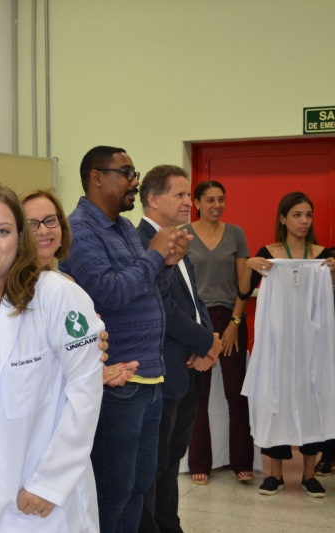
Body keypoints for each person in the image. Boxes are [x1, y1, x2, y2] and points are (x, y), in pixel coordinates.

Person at [0, 181, 103, 532]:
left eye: (1, 231)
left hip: (41, 495)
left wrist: (51, 481)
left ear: (19, 238)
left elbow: (86, 390)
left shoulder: (55, 295)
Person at [58, 146, 190, 533]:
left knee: (138, 488)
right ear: (96, 177)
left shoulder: (123, 229)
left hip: (149, 379)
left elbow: (145, 289)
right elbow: (108, 293)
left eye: (135, 173)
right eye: (127, 172)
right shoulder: (79, 230)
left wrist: (165, 263)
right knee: (112, 493)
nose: (135, 181)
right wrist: (153, 256)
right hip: (117, 383)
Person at [135, 166, 222, 533]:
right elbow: (162, 306)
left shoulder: (179, 240)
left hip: (188, 369)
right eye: (181, 195)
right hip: (161, 369)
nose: (189, 201)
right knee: (152, 466)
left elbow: (195, 300)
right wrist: (206, 342)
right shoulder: (141, 243)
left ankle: (170, 525)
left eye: (189, 195)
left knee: (172, 461)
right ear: (154, 200)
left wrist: (210, 342)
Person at [238, 191, 335, 498]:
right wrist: (250, 265)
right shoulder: (269, 253)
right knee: (274, 400)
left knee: (312, 402)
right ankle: (274, 474)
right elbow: (243, 290)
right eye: (296, 215)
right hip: (278, 345)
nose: (304, 221)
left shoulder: (324, 255)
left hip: (312, 347)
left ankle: (309, 474)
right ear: (282, 218)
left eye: (308, 215)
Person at [20, 188, 138, 387]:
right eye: (32, 224)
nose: (43, 231)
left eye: (50, 220)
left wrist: (95, 367)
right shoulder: (13, 289)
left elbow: (70, 353)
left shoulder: (66, 282)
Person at [185, 180, 255, 485]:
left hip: (231, 319)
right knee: (197, 395)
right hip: (196, 321)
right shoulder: (183, 235)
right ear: (197, 203)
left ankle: (242, 461)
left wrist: (234, 325)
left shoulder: (236, 234)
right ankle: (200, 462)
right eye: (210, 199)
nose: (217, 205)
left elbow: (243, 284)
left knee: (237, 395)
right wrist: (197, 330)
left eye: (221, 199)